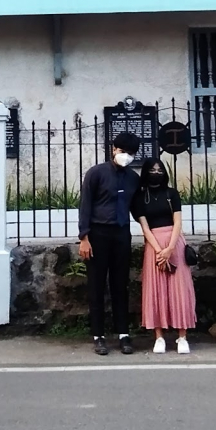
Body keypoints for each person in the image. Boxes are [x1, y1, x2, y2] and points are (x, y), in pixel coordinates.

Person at [79, 131, 141, 356]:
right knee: (96, 286)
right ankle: (98, 336)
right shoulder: (96, 173)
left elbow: (138, 209)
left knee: (120, 285)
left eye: (131, 153)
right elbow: (85, 205)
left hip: (122, 234)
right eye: (123, 151)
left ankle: (123, 334)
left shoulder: (133, 178)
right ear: (114, 149)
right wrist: (84, 238)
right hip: (97, 234)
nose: (126, 156)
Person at [131, 157, 196, 355]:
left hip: (174, 243)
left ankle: (182, 335)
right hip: (154, 245)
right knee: (156, 289)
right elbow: (144, 226)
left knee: (179, 289)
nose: (156, 172)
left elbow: (178, 222)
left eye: (160, 169)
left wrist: (169, 249)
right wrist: (159, 250)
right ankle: (158, 336)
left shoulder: (171, 193)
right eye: (153, 169)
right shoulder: (140, 197)